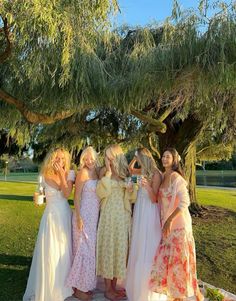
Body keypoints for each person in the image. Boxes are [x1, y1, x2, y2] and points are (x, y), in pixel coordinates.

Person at [150, 148, 204, 301]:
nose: (165, 159)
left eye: (168, 156)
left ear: (174, 160)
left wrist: (169, 220)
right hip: (167, 228)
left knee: (179, 265)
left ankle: (181, 297)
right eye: (163, 156)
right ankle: (180, 296)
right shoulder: (163, 176)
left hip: (179, 227)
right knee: (171, 264)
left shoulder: (176, 178)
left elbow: (185, 202)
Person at [23, 148, 75, 301]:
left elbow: (66, 193)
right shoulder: (45, 174)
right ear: (52, 159)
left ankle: (64, 286)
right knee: (50, 250)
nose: (60, 161)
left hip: (64, 215)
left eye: (63, 159)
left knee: (64, 249)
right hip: (51, 216)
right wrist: (37, 197)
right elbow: (42, 194)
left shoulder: (70, 174)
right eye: (57, 158)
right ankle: (49, 286)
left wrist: (61, 174)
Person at [96, 144, 137, 301]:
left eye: (110, 156)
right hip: (108, 215)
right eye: (106, 157)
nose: (107, 159)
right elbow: (100, 193)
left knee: (119, 249)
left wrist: (131, 189)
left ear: (116, 156)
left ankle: (114, 287)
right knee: (108, 249)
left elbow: (133, 198)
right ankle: (108, 290)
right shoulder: (103, 172)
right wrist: (107, 173)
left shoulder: (125, 173)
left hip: (123, 216)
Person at [126, 147, 163, 301]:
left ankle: (147, 289)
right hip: (140, 210)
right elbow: (129, 169)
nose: (138, 162)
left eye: (141, 159)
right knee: (139, 243)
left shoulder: (155, 174)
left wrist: (147, 186)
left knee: (148, 244)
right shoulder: (140, 172)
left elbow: (155, 198)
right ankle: (135, 285)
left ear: (146, 158)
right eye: (138, 160)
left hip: (149, 211)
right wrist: (135, 157)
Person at [66, 146, 100, 301]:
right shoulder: (83, 173)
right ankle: (78, 289)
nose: (89, 161)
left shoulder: (98, 172)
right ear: (83, 160)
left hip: (94, 217)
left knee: (90, 251)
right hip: (83, 216)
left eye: (91, 158)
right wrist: (78, 217)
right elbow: (76, 197)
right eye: (86, 159)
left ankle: (85, 285)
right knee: (82, 250)